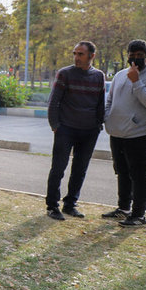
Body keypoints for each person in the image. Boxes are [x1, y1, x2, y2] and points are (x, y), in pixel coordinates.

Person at [102, 39, 146, 227]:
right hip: (117, 133)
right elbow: (110, 100)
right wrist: (108, 118)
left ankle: (139, 215)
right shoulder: (121, 75)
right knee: (121, 171)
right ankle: (123, 209)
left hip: (140, 134)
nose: (135, 59)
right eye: (132, 55)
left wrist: (137, 81)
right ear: (127, 55)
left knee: (139, 174)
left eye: (140, 55)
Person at [46, 41, 105, 221]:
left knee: (80, 169)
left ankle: (71, 204)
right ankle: (52, 206)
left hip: (89, 131)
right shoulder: (65, 74)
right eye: (75, 53)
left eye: (80, 54)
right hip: (66, 129)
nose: (76, 57)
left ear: (92, 56)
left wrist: (98, 124)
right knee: (58, 168)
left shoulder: (99, 76)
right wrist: (55, 125)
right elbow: (53, 101)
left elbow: (100, 102)